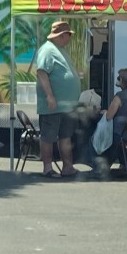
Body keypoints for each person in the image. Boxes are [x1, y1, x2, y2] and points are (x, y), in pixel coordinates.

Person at [35, 20, 80, 178]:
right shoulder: (47, 50)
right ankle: (48, 168)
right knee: (48, 136)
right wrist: (50, 96)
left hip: (66, 106)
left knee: (65, 136)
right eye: (68, 35)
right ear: (61, 35)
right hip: (53, 105)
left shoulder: (60, 50)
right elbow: (42, 73)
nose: (70, 38)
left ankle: (68, 167)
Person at [94, 68, 127, 177]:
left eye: (118, 78)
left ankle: (101, 166)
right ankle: (124, 165)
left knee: (99, 136)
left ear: (122, 80)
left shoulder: (120, 96)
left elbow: (109, 116)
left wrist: (103, 112)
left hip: (122, 135)